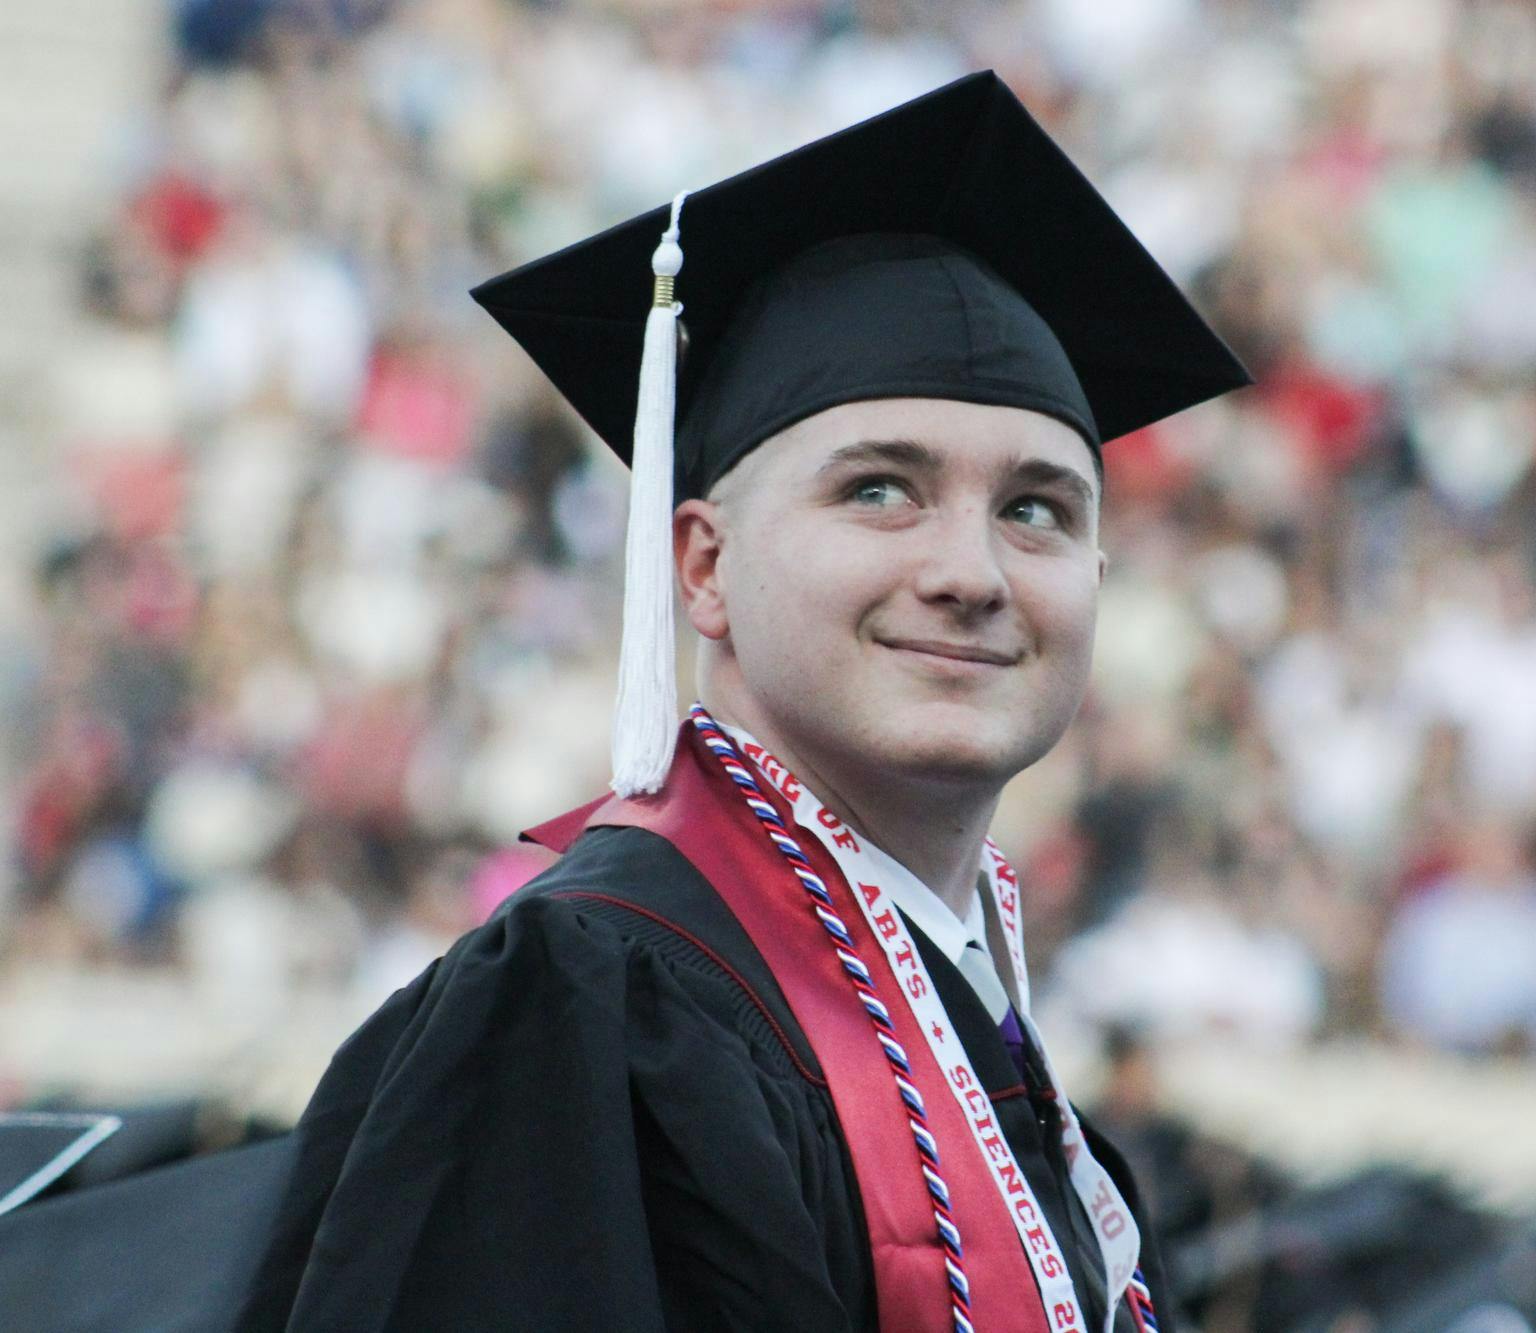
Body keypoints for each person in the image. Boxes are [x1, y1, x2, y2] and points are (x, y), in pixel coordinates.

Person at [237, 72, 1250, 1332]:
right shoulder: (595, 1008)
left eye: (1036, 510)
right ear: (702, 566)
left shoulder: (982, 1046)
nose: (969, 574)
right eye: (879, 489)